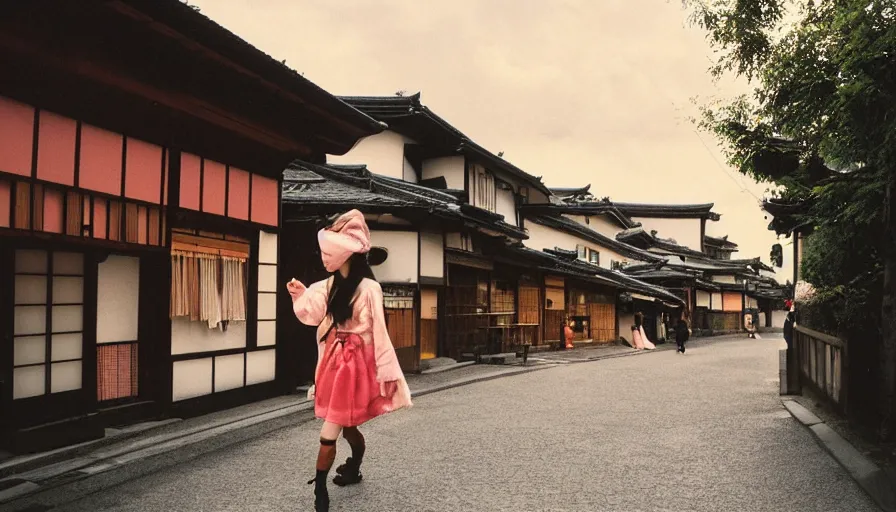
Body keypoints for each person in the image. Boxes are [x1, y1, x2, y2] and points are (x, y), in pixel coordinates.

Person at [287, 209, 412, 512]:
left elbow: (379, 332)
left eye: (328, 251)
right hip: (334, 363)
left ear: (346, 253)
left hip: (354, 366)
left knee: (332, 429)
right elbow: (314, 314)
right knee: (348, 425)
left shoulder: (370, 289)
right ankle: (353, 466)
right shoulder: (330, 286)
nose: (324, 257)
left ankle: (320, 492)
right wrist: (300, 294)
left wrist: (386, 372)